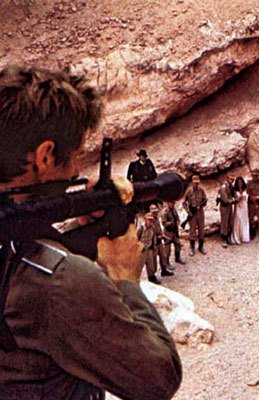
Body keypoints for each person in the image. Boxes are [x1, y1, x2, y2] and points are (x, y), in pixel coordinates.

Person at [0, 66, 181, 399]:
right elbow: (158, 379)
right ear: (45, 156)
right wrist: (125, 279)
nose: (76, 171)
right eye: (74, 157)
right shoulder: (58, 282)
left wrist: (83, 229)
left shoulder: (14, 245)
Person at [183, 175, 207, 256]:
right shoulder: (189, 191)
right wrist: (188, 211)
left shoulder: (201, 190)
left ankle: (201, 247)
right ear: (192, 182)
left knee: (201, 230)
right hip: (192, 213)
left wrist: (201, 206)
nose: (196, 184)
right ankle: (192, 248)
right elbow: (184, 202)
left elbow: (205, 200)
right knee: (192, 231)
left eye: (197, 183)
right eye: (195, 183)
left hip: (200, 212)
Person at [150, 204, 174, 277]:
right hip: (153, 243)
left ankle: (164, 270)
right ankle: (152, 276)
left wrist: (163, 236)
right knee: (153, 260)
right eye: (154, 212)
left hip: (159, 241)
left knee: (163, 256)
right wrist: (157, 237)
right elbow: (149, 233)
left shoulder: (156, 219)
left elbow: (159, 229)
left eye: (156, 211)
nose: (155, 213)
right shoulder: (150, 220)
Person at [138, 213, 162, 284]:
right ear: (145, 220)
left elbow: (154, 236)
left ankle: (152, 278)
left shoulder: (152, 227)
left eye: (151, 220)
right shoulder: (141, 228)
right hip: (141, 250)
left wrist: (154, 245)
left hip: (149, 248)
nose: (150, 221)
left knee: (150, 265)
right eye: (148, 220)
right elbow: (135, 238)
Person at [161, 201, 183, 265]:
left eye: (173, 203)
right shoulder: (165, 212)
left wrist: (178, 223)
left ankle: (177, 258)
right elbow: (164, 223)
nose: (173, 204)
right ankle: (167, 263)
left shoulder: (174, 210)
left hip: (175, 231)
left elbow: (177, 218)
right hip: (168, 232)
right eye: (171, 203)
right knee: (167, 249)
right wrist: (170, 223)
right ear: (168, 203)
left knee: (178, 244)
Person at [231, 176, 250, 244]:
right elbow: (234, 199)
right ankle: (237, 237)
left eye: (241, 182)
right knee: (238, 220)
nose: (240, 183)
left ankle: (244, 237)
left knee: (244, 220)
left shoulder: (246, 189)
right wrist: (238, 198)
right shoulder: (235, 191)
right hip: (238, 206)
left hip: (244, 206)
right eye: (238, 182)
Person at [218, 174, 235, 248]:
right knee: (224, 222)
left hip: (229, 206)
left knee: (230, 221)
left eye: (233, 179)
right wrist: (233, 200)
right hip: (224, 206)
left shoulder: (230, 187)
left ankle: (228, 237)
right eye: (231, 179)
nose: (232, 180)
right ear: (227, 178)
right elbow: (225, 199)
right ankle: (224, 239)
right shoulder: (223, 187)